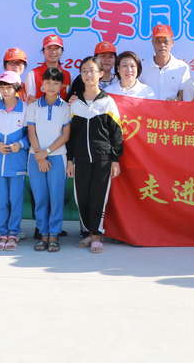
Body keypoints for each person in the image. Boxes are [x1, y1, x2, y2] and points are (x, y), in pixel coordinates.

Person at [68, 57, 124, 254]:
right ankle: (88, 233)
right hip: (80, 159)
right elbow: (70, 135)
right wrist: (69, 160)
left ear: (101, 73)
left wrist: (115, 160)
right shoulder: (74, 104)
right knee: (81, 198)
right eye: (84, 70)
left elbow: (116, 134)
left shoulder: (108, 102)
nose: (88, 74)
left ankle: (97, 235)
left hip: (103, 159)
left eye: (92, 70)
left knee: (98, 197)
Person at [0, 71, 30, 252]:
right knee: (0, 200)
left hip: (17, 164)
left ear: (17, 88)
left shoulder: (26, 108)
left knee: (16, 200)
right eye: (2, 87)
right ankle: (2, 233)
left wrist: (21, 144)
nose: (5, 90)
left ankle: (13, 233)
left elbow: (31, 135)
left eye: (9, 87)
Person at [27, 67, 72, 252]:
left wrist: (46, 152)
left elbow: (66, 135)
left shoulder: (66, 107)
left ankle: (54, 234)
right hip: (35, 158)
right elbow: (31, 133)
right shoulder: (33, 106)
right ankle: (43, 234)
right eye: (48, 82)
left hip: (57, 158)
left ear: (62, 86)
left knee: (56, 198)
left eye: (56, 83)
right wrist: (40, 156)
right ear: (42, 84)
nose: (51, 86)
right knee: (40, 198)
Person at [138, 25, 190, 101]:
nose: (162, 45)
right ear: (152, 42)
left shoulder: (182, 67)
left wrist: (175, 101)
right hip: (146, 108)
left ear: (172, 43)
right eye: (158, 41)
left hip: (172, 108)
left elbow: (183, 96)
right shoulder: (141, 66)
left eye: (166, 41)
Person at [25, 34, 71, 103]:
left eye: (57, 48)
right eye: (49, 48)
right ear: (43, 51)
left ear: (62, 51)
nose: (53, 51)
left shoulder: (68, 75)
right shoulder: (33, 74)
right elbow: (31, 102)